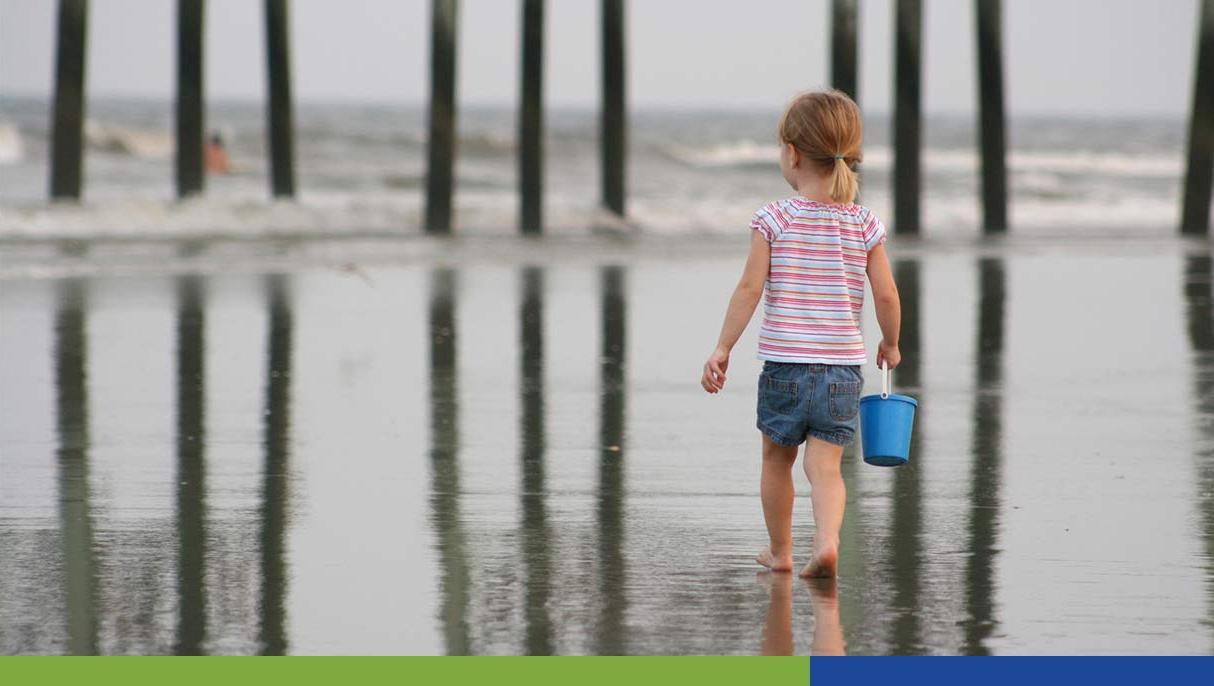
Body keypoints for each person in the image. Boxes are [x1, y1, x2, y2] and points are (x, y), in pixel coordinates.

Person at [700, 89, 902, 579]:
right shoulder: (864, 224)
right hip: (842, 370)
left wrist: (723, 346)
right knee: (826, 467)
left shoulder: (775, 218)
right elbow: (888, 296)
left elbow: (749, 288)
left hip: (785, 368)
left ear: (792, 153)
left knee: (776, 458)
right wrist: (891, 343)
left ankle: (782, 552)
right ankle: (828, 543)